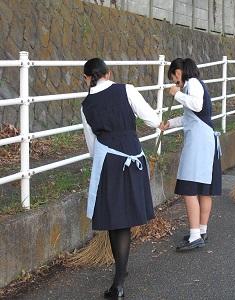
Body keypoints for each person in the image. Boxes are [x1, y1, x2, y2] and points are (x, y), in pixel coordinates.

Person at [81, 58, 161, 298]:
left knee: (114, 219)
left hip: (108, 161)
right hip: (132, 155)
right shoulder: (126, 89)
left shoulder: (86, 105)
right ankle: (119, 277)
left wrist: (102, 160)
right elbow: (151, 118)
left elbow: (91, 145)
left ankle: (119, 278)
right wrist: (160, 124)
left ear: (87, 78)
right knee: (123, 221)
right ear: (109, 73)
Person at [161, 58, 222, 251]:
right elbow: (190, 116)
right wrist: (169, 123)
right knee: (204, 189)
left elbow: (195, 105)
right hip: (204, 139)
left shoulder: (193, 83)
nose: (174, 82)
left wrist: (177, 94)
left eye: (173, 77)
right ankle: (201, 231)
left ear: (178, 72)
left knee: (189, 188)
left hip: (199, 142)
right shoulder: (193, 86)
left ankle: (195, 236)